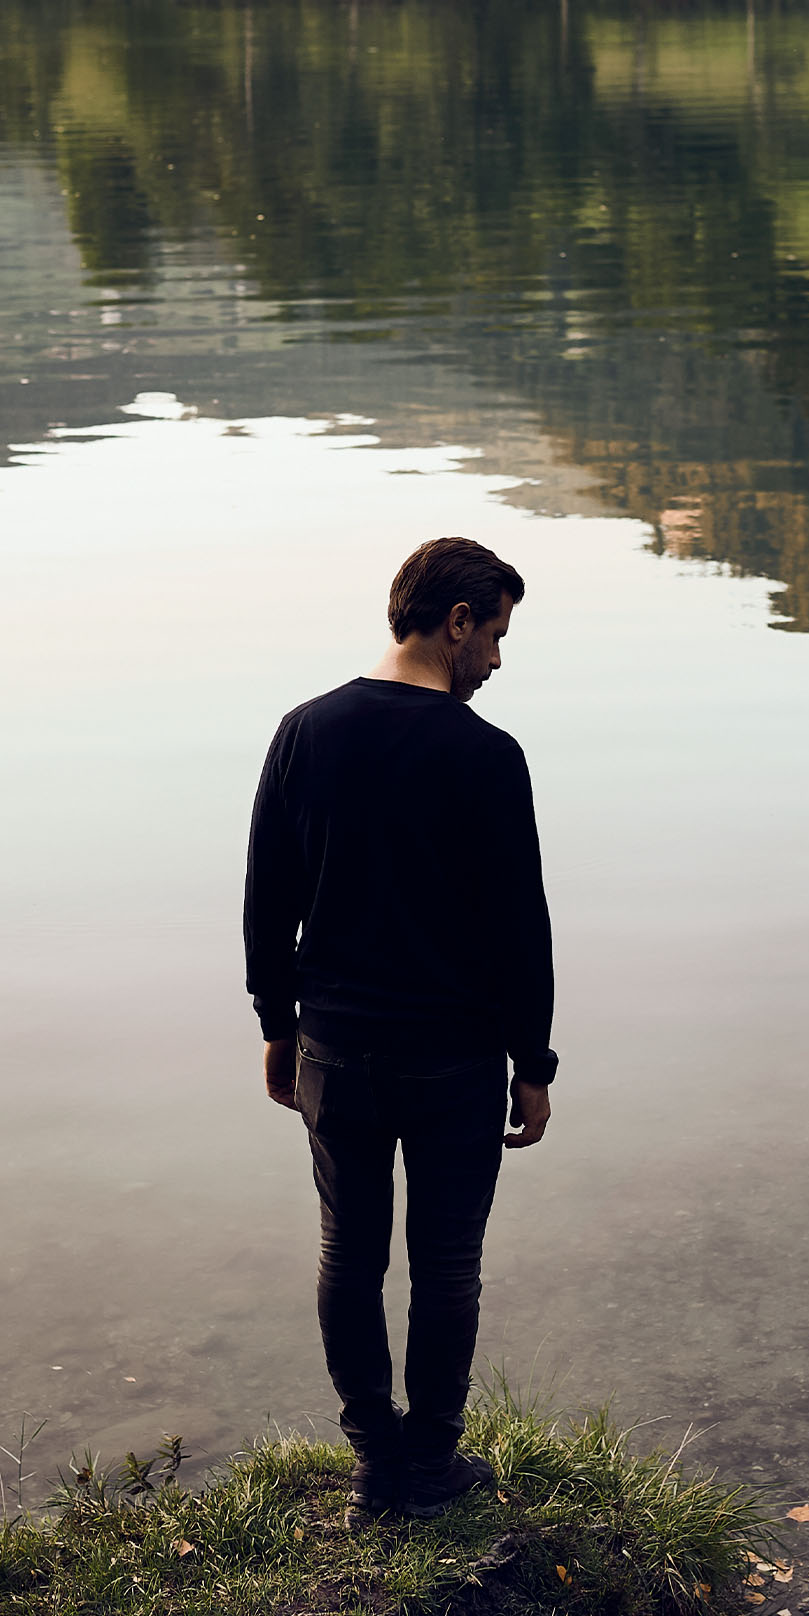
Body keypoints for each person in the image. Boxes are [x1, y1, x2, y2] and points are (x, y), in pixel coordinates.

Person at [244, 535, 556, 1526]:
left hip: (337, 1047)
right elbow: (520, 928)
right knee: (446, 1264)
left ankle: (375, 1468)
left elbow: (268, 901)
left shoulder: (305, 731)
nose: (498, 662)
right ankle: (431, 1461)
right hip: (453, 1059)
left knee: (351, 1252)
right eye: (495, 635)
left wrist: (277, 1025)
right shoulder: (487, 756)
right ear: (455, 621)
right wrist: (533, 1060)